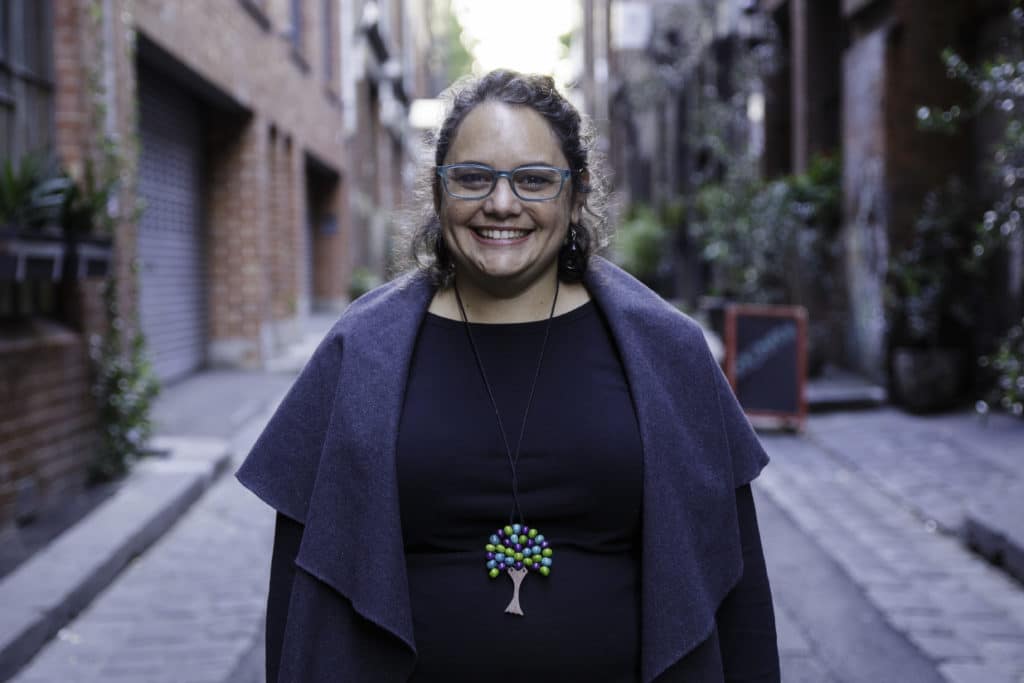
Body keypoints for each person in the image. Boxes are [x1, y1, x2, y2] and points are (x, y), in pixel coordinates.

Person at [237, 69, 779, 682]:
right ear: (440, 193)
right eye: (472, 178)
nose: (501, 203)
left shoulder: (669, 353)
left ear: (576, 197)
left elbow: (738, 592)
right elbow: (300, 597)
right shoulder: (357, 355)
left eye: (534, 180)